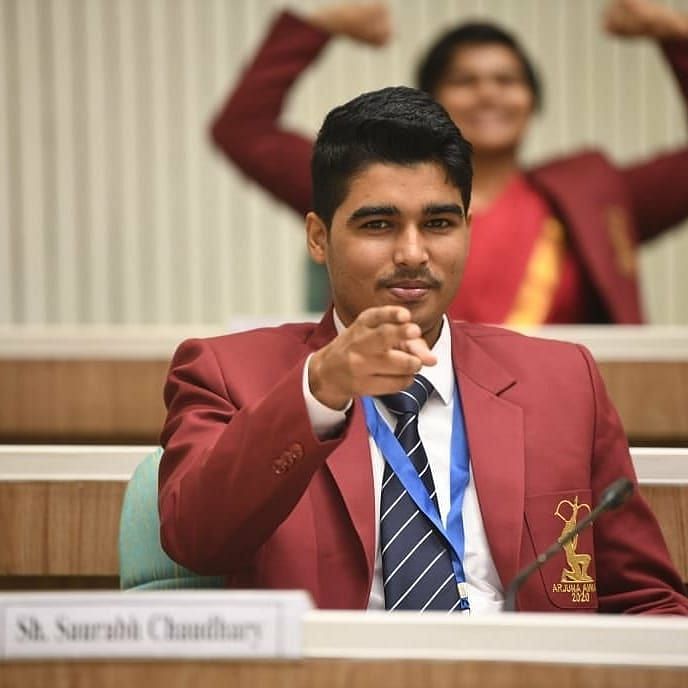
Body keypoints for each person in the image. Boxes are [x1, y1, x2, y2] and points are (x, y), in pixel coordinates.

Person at [160, 86, 688, 614]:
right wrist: (319, 392)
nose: (413, 254)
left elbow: (646, 600)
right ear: (319, 238)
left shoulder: (563, 380)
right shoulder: (227, 372)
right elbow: (197, 540)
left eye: (438, 224)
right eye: (378, 224)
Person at [210, 0, 688, 323]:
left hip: (551, 422)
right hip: (398, 415)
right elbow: (243, 130)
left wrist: (676, 35)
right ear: (429, 99)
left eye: (507, 80)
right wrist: (319, 27)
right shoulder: (369, 184)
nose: (488, 93)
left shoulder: (590, 195)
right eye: (465, 80)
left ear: (533, 99)